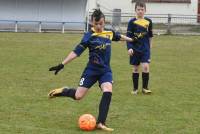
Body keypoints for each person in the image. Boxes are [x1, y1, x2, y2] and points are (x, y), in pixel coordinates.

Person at [48, 9, 133, 131]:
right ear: (92, 23)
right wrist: (62, 64)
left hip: (105, 71)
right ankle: (62, 91)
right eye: (96, 23)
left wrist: (132, 40)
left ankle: (101, 122)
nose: (98, 26)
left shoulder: (109, 33)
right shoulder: (89, 36)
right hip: (91, 71)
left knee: (108, 90)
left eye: (101, 23)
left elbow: (120, 37)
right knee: (78, 96)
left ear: (104, 22)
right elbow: (76, 52)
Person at [126, 1, 153, 95]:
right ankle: (135, 89)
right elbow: (128, 37)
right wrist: (129, 48)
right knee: (136, 68)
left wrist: (150, 48)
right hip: (134, 49)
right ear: (135, 10)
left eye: (142, 9)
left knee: (145, 67)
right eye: (138, 9)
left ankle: (145, 88)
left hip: (145, 49)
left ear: (145, 10)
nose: (140, 11)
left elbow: (150, 36)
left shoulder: (149, 21)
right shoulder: (131, 22)